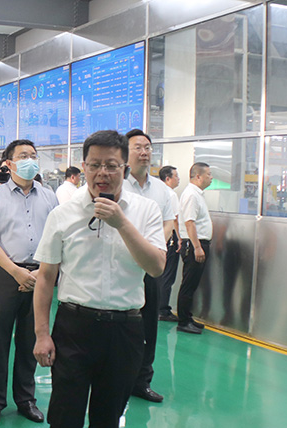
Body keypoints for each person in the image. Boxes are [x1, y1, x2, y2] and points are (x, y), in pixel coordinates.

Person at [33, 130, 166, 428]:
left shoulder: (145, 210)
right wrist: (42, 334)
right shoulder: (63, 214)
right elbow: (45, 277)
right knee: (64, 416)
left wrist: (121, 223)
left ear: (125, 169)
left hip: (125, 330)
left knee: (108, 417)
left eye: (111, 165)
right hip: (74, 327)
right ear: (84, 167)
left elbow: (156, 267)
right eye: (94, 165)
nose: (102, 173)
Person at [0, 139, 57, 425]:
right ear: (9, 163)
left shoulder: (49, 196)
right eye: (23, 156)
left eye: (33, 155)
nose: (30, 160)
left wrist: (41, 273)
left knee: (30, 340)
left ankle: (26, 399)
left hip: (40, 274)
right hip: (4, 274)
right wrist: (15, 271)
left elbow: (56, 238)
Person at [122, 129, 176, 404]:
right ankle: (116, 377)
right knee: (121, 322)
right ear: (125, 153)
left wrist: (153, 249)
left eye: (147, 147)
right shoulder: (117, 185)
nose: (144, 152)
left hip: (150, 266)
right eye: (138, 147)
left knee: (148, 325)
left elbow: (168, 222)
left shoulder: (162, 190)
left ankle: (142, 381)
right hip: (122, 265)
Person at [177, 162, 213, 334]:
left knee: (192, 285)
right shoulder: (191, 195)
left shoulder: (197, 194)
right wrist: (197, 247)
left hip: (197, 243)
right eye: (208, 174)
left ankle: (188, 317)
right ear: (198, 177)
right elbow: (189, 223)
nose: (211, 177)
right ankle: (183, 321)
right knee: (188, 284)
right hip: (194, 245)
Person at [158, 165, 181, 322]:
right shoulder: (171, 195)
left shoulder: (158, 193)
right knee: (168, 274)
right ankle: (163, 309)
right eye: (176, 176)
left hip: (158, 237)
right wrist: (179, 238)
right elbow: (175, 219)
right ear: (168, 178)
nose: (178, 179)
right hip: (170, 238)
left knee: (160, 273)